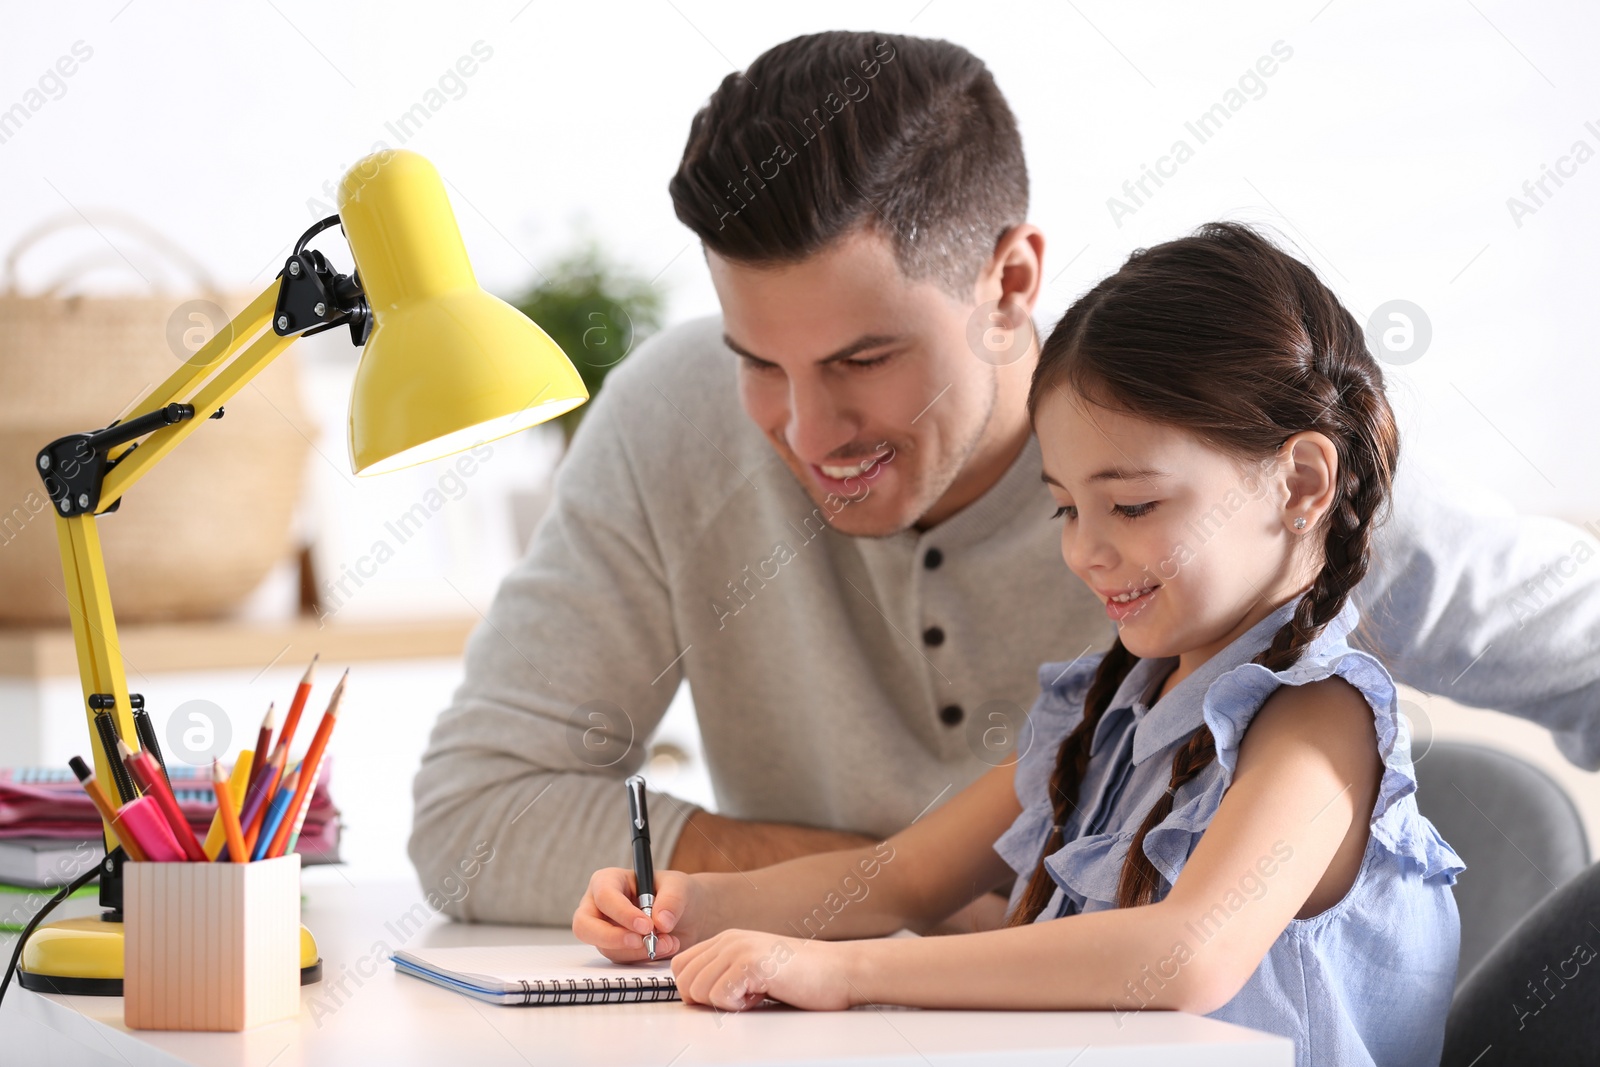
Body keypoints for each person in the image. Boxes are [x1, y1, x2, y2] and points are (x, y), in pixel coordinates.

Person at [408, 31, 1600, 928]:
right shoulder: (672, 417)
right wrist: (899, 886)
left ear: (1012, 278)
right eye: (756, 361)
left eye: (864, 359)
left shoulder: (1225, 478)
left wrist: (881, 901)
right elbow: (471, 819)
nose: (805, 429)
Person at [574, 223, 1464, 1067]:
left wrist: (845, 971)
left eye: (1135, 505)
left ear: (1301, 480)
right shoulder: (1110, 707)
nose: (1086, 550)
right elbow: (901, 876)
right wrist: (690, 905)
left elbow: (1187, 952)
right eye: (1066, 508)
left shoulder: (1321, 722)